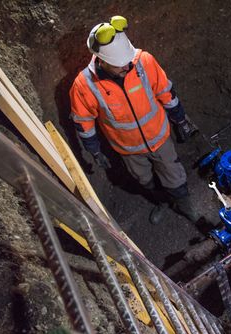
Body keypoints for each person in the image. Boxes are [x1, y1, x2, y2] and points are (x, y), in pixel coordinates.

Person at [69, 16, 200, 224]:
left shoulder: (143, 61)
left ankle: (185, 206)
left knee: (174, 175)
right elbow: (83, 121)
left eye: (127, 62)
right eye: (120, 65)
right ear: (101, 60)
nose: (127, 67)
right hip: (129, 149)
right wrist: (93, 150)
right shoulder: (84, 86)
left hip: (159, 137)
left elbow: (165, 91)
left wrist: (180, 119)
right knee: (144, 179)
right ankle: (162, 201)